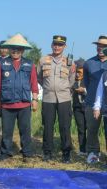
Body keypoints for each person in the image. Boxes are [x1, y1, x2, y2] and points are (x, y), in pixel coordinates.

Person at [0, 34, 38, 162]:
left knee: (25, 131)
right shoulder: (1, 63)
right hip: (7, 105)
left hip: (24, 105)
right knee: (6, 132)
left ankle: (27, 154)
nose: (15, 51)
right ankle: (6, 153)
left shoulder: (30, 64)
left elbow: (34, 83)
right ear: (9, 49)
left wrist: (34, 100)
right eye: (13, 48)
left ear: (22, 50)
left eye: (18, 48)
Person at [37, 35, 75, 163]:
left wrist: (62, 88)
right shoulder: (43, 60)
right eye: (55, 44)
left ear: (64, 46)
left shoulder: (69, 62)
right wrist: (48, 87)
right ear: (51, 45)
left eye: (60, 45)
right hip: (48, 98)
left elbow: (72, 80)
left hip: (64, 98)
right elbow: (39, 78)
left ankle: (66, 153)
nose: (57, 47)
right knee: (47, 126)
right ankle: (47, 152)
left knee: (65, 126)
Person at [84, 35, 107, 164]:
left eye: (104, 46)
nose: (100, 48)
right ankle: (93, 153)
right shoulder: (89, 63)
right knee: (92, 129)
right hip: (92, 102)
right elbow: (87, 83)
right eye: (99, 45)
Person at [72, 59, 87, 155]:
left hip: (87, 107)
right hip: (77, 108)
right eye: (76, 72)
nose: (77, 74)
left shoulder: (88, 80)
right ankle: (82, 150)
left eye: (79, 72)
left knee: (90, 128)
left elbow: (94, 91)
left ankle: (92, 149)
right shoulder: (72, 81)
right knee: (81, 128)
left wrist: (84, 90)